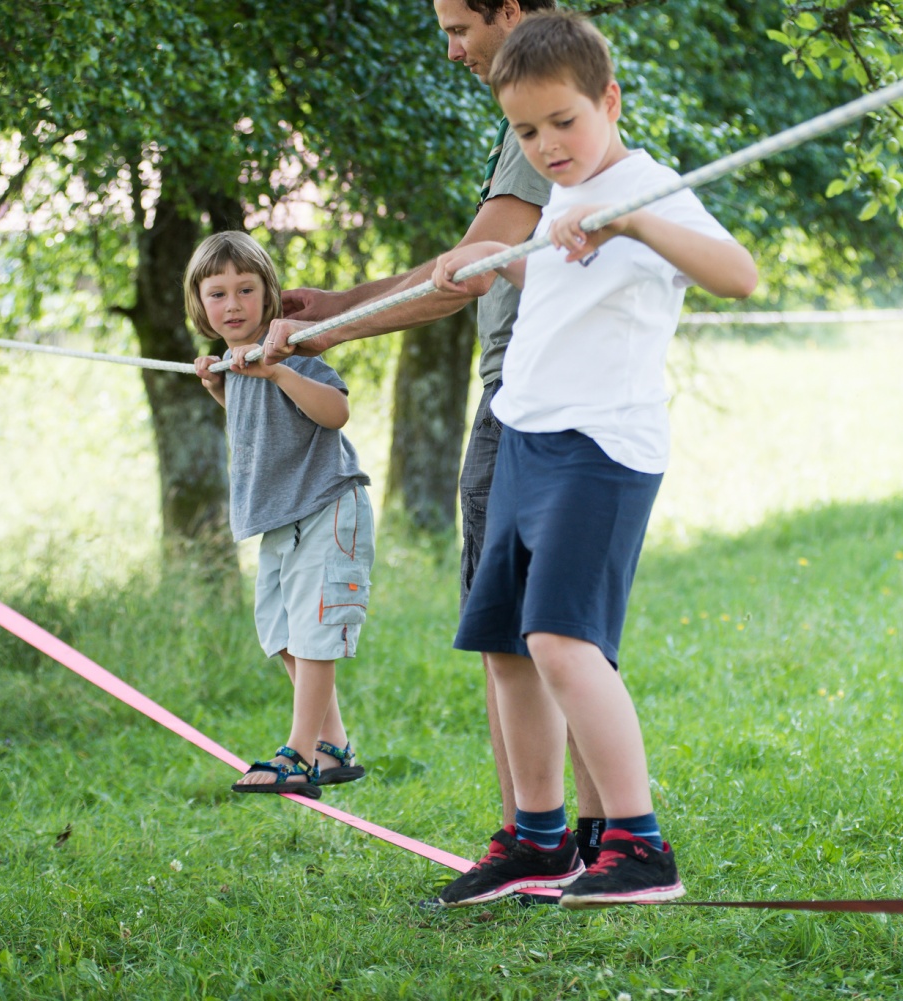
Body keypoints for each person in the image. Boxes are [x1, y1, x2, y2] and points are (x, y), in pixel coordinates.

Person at [264, 0, 610, 864]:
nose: (452, 49)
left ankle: (542, 843)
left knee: (517, 633)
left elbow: (464, 272)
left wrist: (321, 335)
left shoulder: (546, 112)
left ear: (514, 11)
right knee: (549, 631)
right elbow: (468, 259)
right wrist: (342, 303)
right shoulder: (547, 114)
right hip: (537, 395)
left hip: (525, 399)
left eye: (460, 26)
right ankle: (591, 840)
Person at [427, 12, 758, 907]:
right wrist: (504, 263)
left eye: (564, 123)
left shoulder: (647, 185)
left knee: (563, 642)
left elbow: (739, 274)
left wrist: (639, 224)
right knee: (506, 645)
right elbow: (574, 287)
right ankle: (539, 839)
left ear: (608, 100)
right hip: (529, 437)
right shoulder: (563, 193)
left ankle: (639, 842)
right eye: (528, 132)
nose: (548, 145)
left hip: (600, 449)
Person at [187, 231, 376, 800]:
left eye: (246, 290)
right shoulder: (234, 364)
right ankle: (333, 744)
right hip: (277, 519)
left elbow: (334, 412)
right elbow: (262, 423)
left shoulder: (297, 351)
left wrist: (276, 371)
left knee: (314, 633)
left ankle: (298, 753)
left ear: (269, 296)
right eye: (217, 294)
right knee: (282, 633)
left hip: (325, 506)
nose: (234, 305)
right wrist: (219, 387)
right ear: (200, 305)